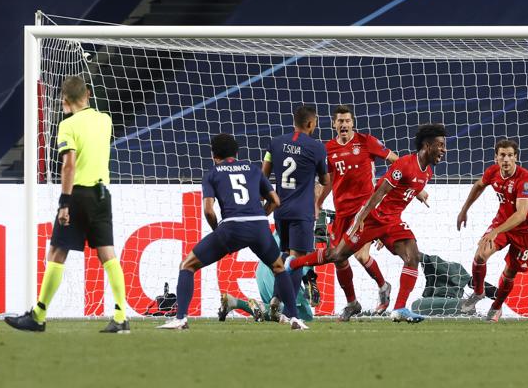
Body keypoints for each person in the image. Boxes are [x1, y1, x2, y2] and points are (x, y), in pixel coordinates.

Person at [6, 75, 130, 333]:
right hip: (101, 194)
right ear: (88, 94)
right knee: (107, 253)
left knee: (57, 253)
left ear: (64, 100)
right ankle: (121, 316)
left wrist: (64, 202)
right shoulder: (105, 120)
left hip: (78, 195)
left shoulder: (67, 126)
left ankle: (38, 315)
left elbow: (69, 164)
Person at [289, 124, 447, 324]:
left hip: (392, 222)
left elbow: (403, 196)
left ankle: (399, 308)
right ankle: (293, 264)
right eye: (440, 145)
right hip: (372, 218)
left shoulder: (427, 173)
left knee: (412, 256)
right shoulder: (405, 164)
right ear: (427, 145)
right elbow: (379, 192)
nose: (444, 150)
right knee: (337, 254)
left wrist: (390, 231)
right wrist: (361, 218)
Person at [157, 134, 305, 330]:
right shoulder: (253, 169)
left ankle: (181, 318)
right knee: (278, 268)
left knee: (187, 265)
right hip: (259, 226)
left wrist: (218, 231)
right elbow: (276, 201)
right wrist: (261, 215)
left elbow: (208, 209)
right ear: (236, 153)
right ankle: (295, 319)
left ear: (213, 155)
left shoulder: (212, 173)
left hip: (232, 227)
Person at [316, 105, 397, 320]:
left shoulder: (366, 141)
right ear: (334, 124)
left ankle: (383, 287)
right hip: (341, 212)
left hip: (364, 210)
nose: (344, 125)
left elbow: (395, 160)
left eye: (347, 121)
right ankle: (353, 302)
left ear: (353, 123)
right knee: (338, 259)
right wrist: (318, 203)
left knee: (361, 255)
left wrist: (411, 184)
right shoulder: (328, 149)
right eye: (340, 121)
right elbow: (329, 180)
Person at [456, 139, 528, 322]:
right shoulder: (493, 172)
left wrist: (495, 231)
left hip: (526, 230)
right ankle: (478, 292)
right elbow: (479, 185)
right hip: (502, 223)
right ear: (496, 157)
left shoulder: (526, 180)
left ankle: (496, 307)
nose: (506, 159)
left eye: (510, 155)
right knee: (480, 256)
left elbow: (521, 214)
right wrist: (464, 210)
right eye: (502, 155)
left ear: (516, 157)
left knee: (510, 272)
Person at [261, 105, 330, 325]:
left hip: (280, 210)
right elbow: (326, 180)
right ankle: (290, 311)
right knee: (297, 261)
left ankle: (275, 296)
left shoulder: (276, 142)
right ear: (310, 123)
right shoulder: (317, 147)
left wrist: (265, 202)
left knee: (284, 255)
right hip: (302, 212)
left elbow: (264, 175)